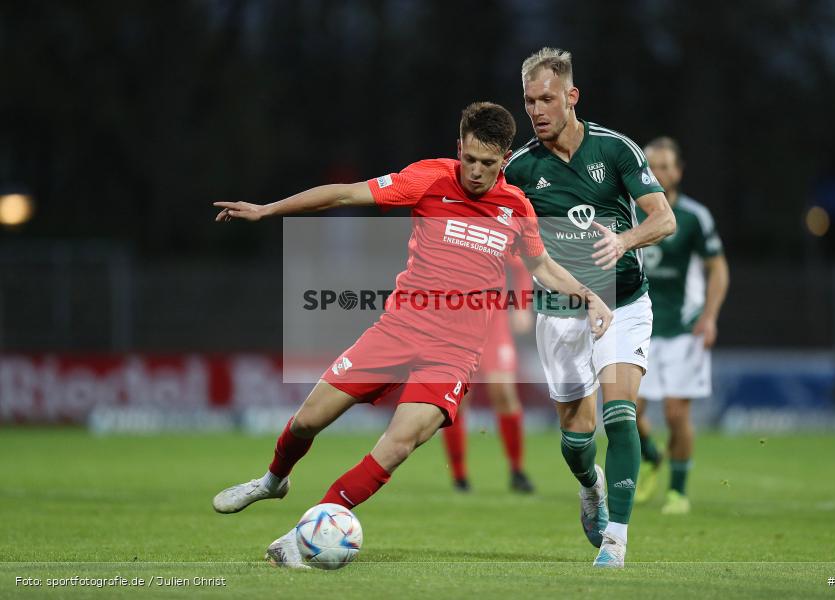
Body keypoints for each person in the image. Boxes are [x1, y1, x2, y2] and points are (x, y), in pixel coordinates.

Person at [210, 101, 612, 569]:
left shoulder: (515, 207)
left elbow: (541, 266)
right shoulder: (428, 179)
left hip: (453, 354)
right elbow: (344, 194)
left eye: (489, 163)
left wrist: (589, 295)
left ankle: (308, 532)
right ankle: (273, 480)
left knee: (397, 445)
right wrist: (267, 210)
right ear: (458, 147)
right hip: (397, 330)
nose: (477, 172)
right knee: (306, 422)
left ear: (505, 159)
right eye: (470, 159)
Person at [503, 48, 675, 567]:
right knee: (576, 443)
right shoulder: (519, 169)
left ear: (571, 96)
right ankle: (592, 486)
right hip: (559, 311)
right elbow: (501, 238)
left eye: (547, 99)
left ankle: (616, 539)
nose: (537, 110)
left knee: (620, 413)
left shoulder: (615, 150)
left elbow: (663, 219)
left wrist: (624, 241)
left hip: (623, 302)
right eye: (529, 101)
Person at [634, 136, 729, 514]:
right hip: (640, 324)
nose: (657, 172)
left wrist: (709, 316)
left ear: (678, 171)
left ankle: (677, 491)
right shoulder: (629, 209)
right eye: (650, 166)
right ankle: (651, 455)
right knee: (625, 410)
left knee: (676, 413)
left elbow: (718, 267)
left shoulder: (693, 217)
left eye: (664, 166)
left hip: (684, 328)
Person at [441, 257, 536, 493]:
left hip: (494, 322)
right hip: (456, 323)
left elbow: (521, 265)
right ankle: (459, 476)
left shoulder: (495, 222)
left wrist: (522, 306)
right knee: (457, 398)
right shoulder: (450, 226)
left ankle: (517, 470)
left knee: (503, 392)